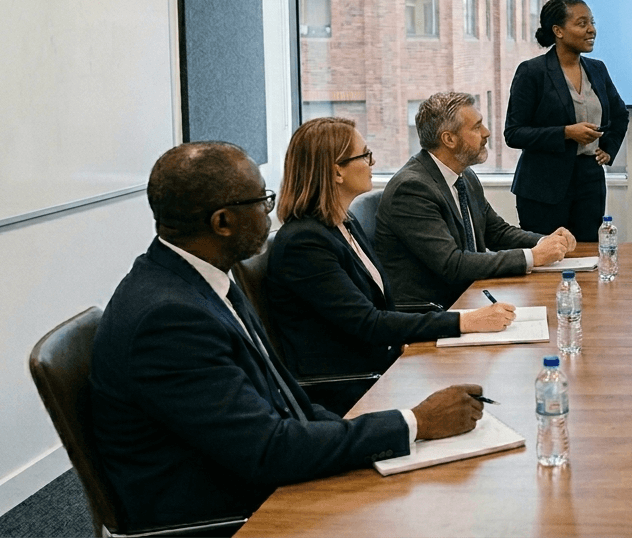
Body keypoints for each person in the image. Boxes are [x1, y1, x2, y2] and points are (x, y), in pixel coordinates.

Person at [89, 142, 486, 533]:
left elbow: (284, 399)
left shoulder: (200, 278)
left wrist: (393, 432)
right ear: (222, 222)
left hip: (258, 473)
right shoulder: (168, 319)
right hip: (227, 512)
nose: (269, 212)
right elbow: (267, 450)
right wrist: (414, 423)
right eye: (261, 201)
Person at [266, 118, 517, 414]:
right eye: (365, 155)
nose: (373, 162)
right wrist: (466, 321)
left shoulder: (344, 223)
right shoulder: (304, 243)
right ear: (336, 171)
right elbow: (369, 323)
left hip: (383, 364)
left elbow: (380, 311)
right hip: (352, 387)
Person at [375, 91, 576, 309]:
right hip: (434, 310)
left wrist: (545, 241)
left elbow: (496, 232)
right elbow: (452, 264)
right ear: (449, 139)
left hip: (470, 295)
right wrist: (532, 257)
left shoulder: (464, 175)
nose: (487, 133)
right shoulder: (412, 189)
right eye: (476, 127)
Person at [504, 0, 629, 242]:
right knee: (548, 259)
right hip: (543, 186)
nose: (591, 29)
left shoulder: (598, 69)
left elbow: (620, 114)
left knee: (587, 256)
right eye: (582, 23)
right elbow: (514, 133)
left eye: (591, 22)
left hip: (589, 182)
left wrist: (608, 148)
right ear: (558, 31)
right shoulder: (532, 72)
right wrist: (565, 132)